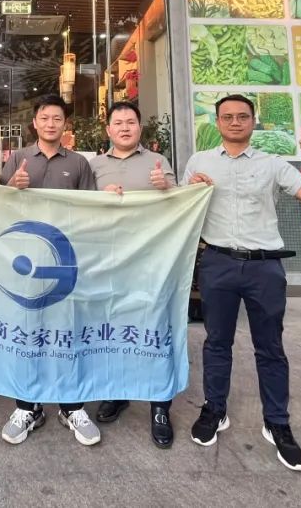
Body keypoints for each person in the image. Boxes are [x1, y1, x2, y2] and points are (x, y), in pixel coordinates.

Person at [183, 94, 301, 473]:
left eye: (242, 116)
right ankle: (215, 409)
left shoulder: (273, 164)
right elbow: (183, 207)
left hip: (265, 267)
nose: (235, 122)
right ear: (217, 122)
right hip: (217, 263)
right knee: (217, 341)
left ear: (253, 121)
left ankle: (277, 422)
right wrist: (191, 188)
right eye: (227, 117)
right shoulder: (199, 161)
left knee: (270, 347)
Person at [0, 94, 99, 446]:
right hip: (27, 261)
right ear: (35, 123)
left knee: (68, 330)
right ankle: (28, 406)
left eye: (57, 118)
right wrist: (10, 187)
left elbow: (91, 209)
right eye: (45, 118)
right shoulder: (19, 158)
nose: (51, 123)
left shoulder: (79, 163)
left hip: (66, 261)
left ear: (65, 124)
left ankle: (72, 406)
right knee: (28, 331)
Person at [88, 101, 177, 449]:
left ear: (140, 128)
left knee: (155, 328)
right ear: (108, 129)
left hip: (151, 261)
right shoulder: (94, 165)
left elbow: (180, 205)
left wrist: (165, 187)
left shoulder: (158, 162)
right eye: (118, 122)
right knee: (112, 327)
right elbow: (78, 208)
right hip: (109, 261)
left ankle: (160, 405)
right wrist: (99, 197)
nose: (124, 127)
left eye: (131, 122)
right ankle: (117, 393)